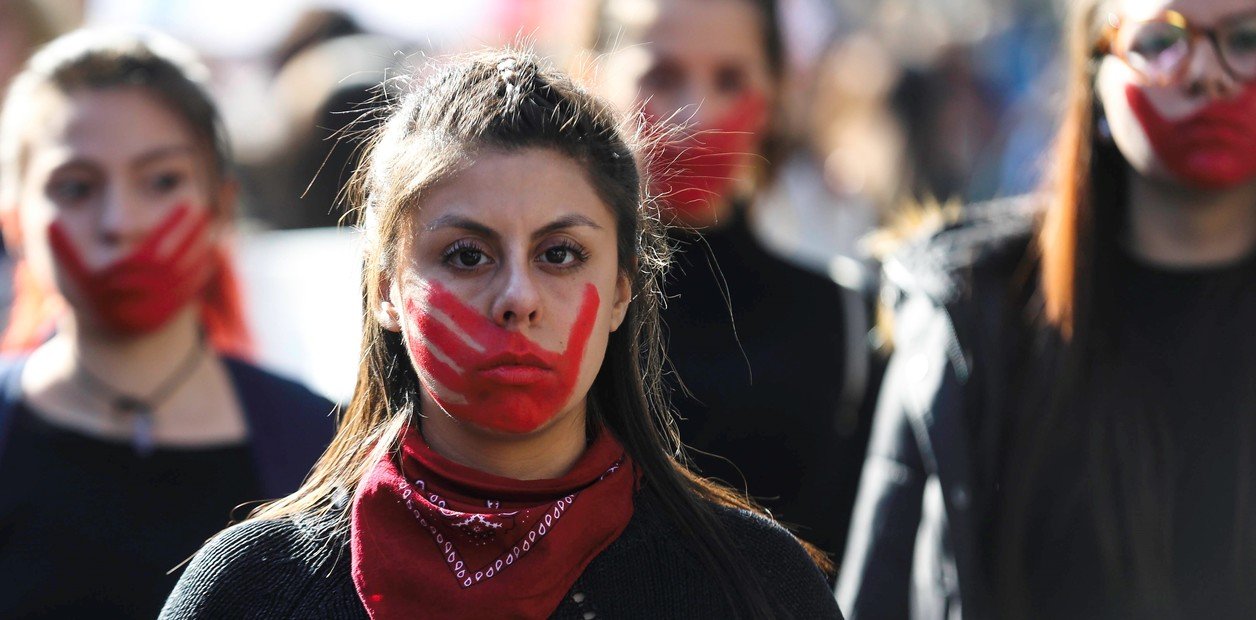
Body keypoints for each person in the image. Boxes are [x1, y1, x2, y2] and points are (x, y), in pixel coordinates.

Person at [159, 48, 843, 619]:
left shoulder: (754, 585)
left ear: (622, 290)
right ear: (385, 290)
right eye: (466, 255)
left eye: (560, 255)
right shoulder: (252, 590)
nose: (518, 298)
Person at [838, 0, 1256, 617]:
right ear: (1094, 70)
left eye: (1247, 39)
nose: (1207, 73)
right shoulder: (968, 320)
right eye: (1161, 42)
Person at [0, 30, 335, 618]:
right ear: (14, 220)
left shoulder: (324, 452)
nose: (119, 221)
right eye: (75, 187)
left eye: (162, 181)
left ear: (221, 206)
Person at [589, 0, 879, 560]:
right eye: (663, 74)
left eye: (731, 79)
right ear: (592, 77)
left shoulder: (843, 320)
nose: (696, 115)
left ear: (775, 92)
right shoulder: (542, 305)